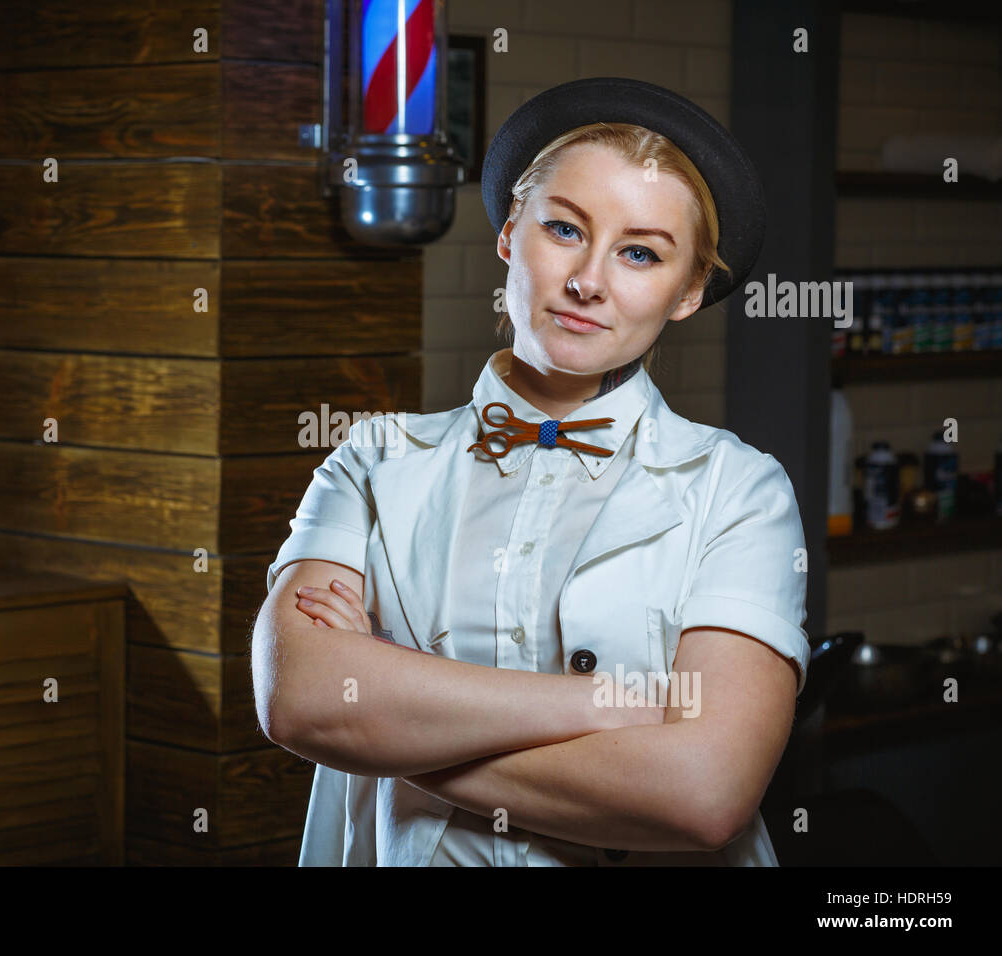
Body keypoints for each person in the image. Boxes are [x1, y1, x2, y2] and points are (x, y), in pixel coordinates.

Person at [251, 77, 809, 866]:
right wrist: (616, 706)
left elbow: (704, 794)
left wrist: (394, 710)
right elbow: (303, 700)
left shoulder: (739, 490)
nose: (589, 281)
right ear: (511, 234)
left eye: (640, 253)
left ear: (686, 292)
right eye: (563, 228)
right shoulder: (373, 461)